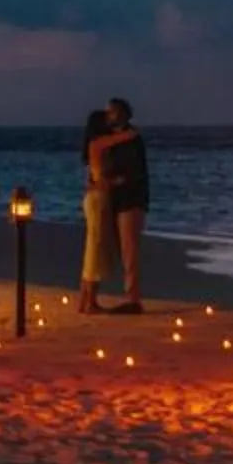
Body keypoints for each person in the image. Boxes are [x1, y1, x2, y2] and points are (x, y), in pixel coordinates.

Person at [100, 95, 148, 313]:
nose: (108, 115)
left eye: (112, 111)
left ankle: (133, 298)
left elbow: (135, 172)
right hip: (117, 200)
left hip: (131, 199)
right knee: (122, 249)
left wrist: (112, 181)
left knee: (129, 250)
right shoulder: (112, 139)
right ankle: (130, 295)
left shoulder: (132, 139)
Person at [77, 108, 124, 313]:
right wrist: (118, 181)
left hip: (95, 199)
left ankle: (85, 301)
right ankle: (90, 302)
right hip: (98, 199)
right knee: (95, 250)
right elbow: (128, 136)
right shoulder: (98, 143)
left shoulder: (94, 146)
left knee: (93, 248)